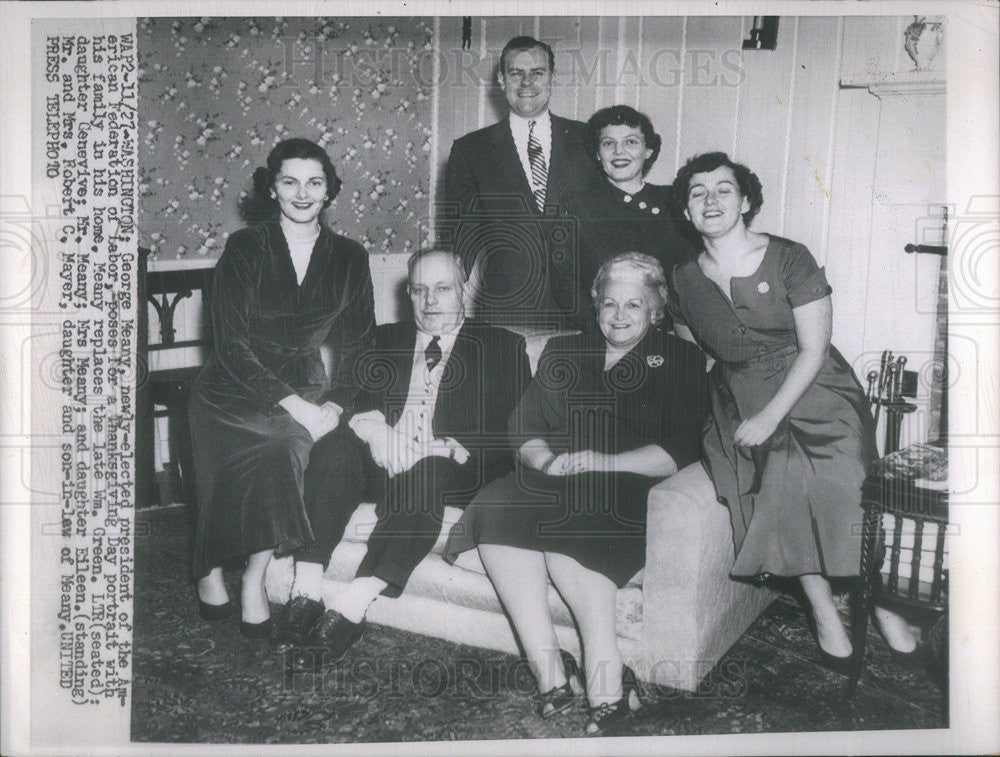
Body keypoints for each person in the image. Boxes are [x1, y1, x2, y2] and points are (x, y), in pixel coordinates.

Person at [667, 151, 919, 670]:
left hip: (815, 386)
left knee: (844, 480)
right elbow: (690, 341)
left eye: (723, 189)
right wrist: (729, 391)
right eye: (697, 192)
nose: (710, 200)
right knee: (778, 478)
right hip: (738, 393)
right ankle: (823, 607)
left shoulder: (789, 256)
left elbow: (815, 349)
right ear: (686, 212)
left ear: (747, 201)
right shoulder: (684, 277)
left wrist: (769, 416)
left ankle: (881, 603)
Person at [444, 253, 708, 735]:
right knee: (497, 505)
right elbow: (522, 426)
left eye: (635, 304)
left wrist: (605, 462)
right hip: (556, 476)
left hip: (627, 485)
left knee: (573, 538)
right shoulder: (566, 353)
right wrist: (545, 459)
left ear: (656, 310)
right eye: (609, 303)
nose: (620, 314)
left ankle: (606, 685)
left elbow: (682, 449)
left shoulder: (679, 358)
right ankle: (550, 676)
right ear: (595, 306)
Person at [269, 249, 531, 658]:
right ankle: (306, 588)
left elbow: (512, 432)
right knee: (336, 448)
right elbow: (349, 399)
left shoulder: (502, 346)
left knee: (428, 471)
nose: (430, 302)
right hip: (386, 459)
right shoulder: (383, 339)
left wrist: (443, 448)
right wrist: (374, 430)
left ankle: (354, 604)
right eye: (420, 290)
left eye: (442, 289)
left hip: (452, 469)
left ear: (464, 291)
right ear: (408, 293)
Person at [189, 138, 377, 637]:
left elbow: (359, 344)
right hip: (233, 386)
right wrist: (294, 405)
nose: (302, 193)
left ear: (329, 190)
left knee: (287, 445)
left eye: (314, 182)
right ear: (271, 189)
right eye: (289, 181)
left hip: (308, 385)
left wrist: (336, 404)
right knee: (272, 440)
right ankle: (206, 565)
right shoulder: (246, 247)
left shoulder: (350, 257)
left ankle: (254, 577)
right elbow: (229, 344)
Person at [444, 35, 602, 325]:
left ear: (552, 78)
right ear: (502, 81)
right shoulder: (471, 151)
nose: (526, 82)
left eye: (537, 73)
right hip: (507, 309)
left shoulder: (589, 140)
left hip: (585, 311)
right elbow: (459, 240)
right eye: (516, 73)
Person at [557, 105, 691, 327]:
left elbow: (689, 279)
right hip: (601, 331)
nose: (619, 152)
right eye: (608, 143)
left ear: (648, 150)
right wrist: (601, 331)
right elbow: (564, 283)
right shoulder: (576, 206)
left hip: (667, 333)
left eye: (630, 142)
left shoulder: (672, 202)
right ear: (598, 154)